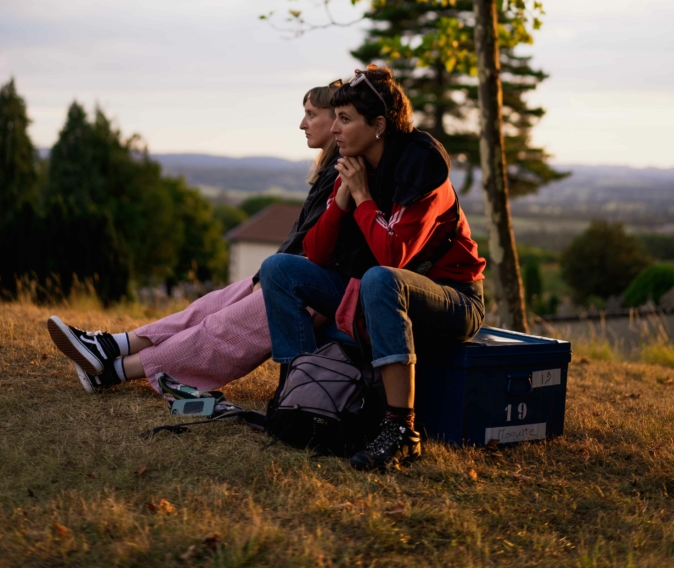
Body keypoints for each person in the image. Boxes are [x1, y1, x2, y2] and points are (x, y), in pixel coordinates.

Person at [259, 66, 485, 471]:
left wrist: (362, 197)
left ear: (379, 125)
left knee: (381, 278)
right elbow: (316, 253)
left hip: (453, 299)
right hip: (379, 290)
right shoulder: (354, 162)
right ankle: (300, 392)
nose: (336, 129)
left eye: (345, 120)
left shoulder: (422, 167)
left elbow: (393, 256)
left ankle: (401, 430)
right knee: (279, 269)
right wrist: (344, 197)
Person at [47, 86, 339, 395]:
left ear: (337, 121)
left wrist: (274, 278)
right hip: (295, 276)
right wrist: (266, 276)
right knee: (206, 307)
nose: (302, 124)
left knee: (219, 329)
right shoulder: (330, 173)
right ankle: (109, 345)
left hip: (310, 288)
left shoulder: (345, 174)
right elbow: (302, 236)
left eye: (311, 114)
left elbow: (319, 245)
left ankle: (110, 371)